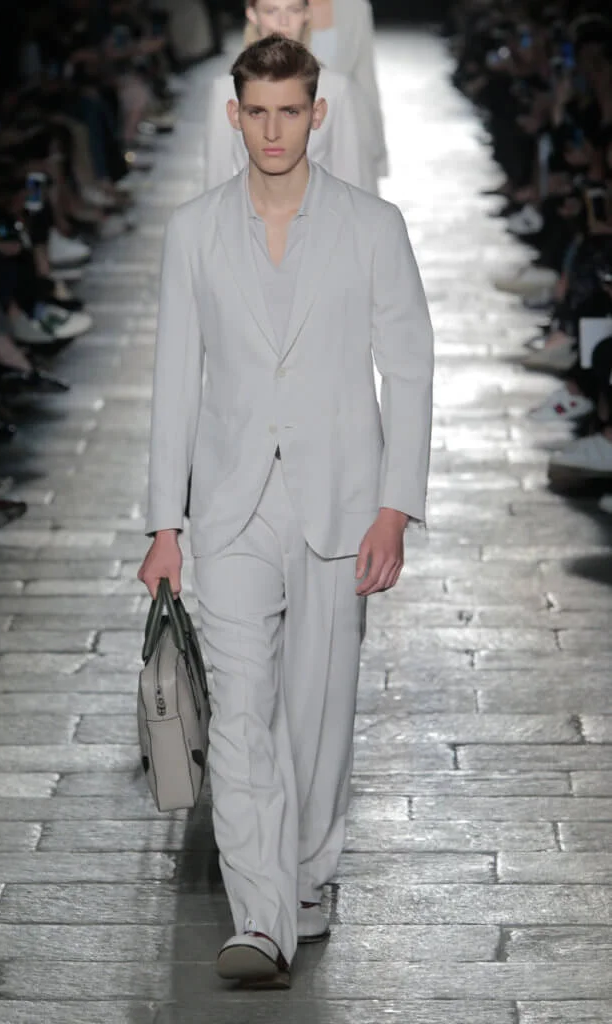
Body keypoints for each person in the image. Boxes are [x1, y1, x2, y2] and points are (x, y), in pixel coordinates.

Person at [138, 34, 433, 989]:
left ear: (317, 113)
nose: (273, 130)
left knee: (317, 711)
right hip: (229, 504)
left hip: (339, 499)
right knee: (240, 714)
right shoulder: (193, 231)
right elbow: (174, 380)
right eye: (256, 112)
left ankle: (306, 879)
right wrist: (164, 524)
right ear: (234, 115)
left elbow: (410, 369)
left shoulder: (371, 226)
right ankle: (260, 919)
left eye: (289, 111)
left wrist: (395, 507)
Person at [205, 0, 370, 192]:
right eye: (271, 11)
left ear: (307, 14)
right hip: (248, 207)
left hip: (321, 208)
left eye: (294, 10)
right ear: (252, 14)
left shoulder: (336, 89)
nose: (283, 21)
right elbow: (216, 181)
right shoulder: (226, 90)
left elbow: (350, 178)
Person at [307, 0, 389, 178]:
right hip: (300, 133)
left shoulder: (355, 7)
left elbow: (366, 76)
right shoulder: (279, 7)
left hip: (349, 127)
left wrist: (378, 152)